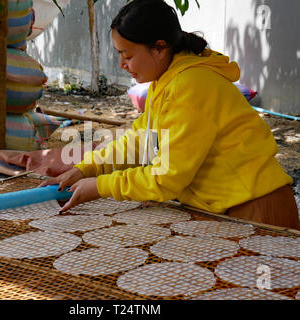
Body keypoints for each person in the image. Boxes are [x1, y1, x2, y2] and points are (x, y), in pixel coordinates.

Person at [40, 0, 299, 230]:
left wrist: (101, 186)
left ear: (160, 48)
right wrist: (86, 169)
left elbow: (167, 177)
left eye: (127, 55)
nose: (121, 64)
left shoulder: (191, 85)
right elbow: (139, 142)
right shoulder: (165, 84)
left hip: (258, 210)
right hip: (225, 208)